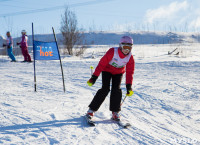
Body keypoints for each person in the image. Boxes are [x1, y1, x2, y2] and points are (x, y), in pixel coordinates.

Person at [86, 36, 135, 121]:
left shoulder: (130, 57)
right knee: (105, 89)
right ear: (120, 46)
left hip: (118, 73)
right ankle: (91, 110)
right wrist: (94, 77)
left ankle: (115, 112)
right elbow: (101, 64)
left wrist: (129, 86)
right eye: (125, 47)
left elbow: (130, 72)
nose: (127, 50)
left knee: (116, 90)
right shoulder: (112, 52)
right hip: (107, 70)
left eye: (129, 47)